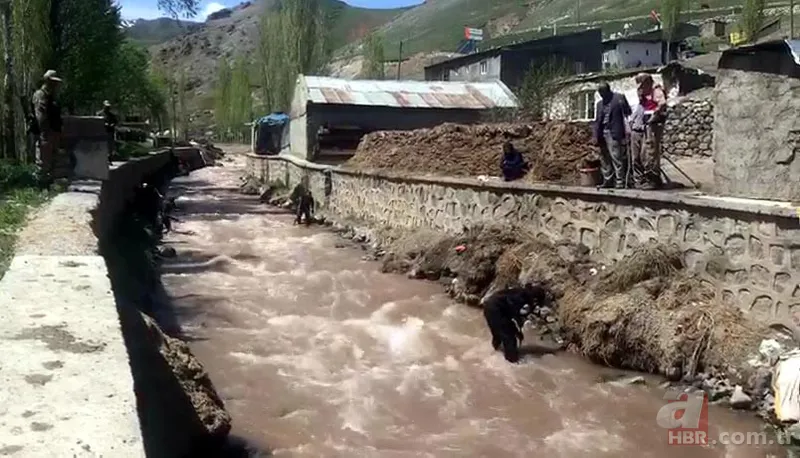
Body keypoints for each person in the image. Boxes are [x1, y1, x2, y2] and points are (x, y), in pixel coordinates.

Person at [482, 283, 547, 363]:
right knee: (509, 338)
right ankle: (512, 362)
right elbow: (514, 314)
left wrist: (516, 329)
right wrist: (518, 330)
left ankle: (495, 353)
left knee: (499, 333)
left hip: (491, 307)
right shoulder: (521, 298)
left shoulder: (521, 292)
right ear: (535, 299)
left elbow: (510, 315)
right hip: (495, 310)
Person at [632, 73, 668, 190]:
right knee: (644, 153)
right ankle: (648, 178)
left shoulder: (656, 91)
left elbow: (662, 103)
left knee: (650, 152)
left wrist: (656, 113)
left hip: (654, 123)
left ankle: (654, 180)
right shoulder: (644, 93)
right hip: (647, 124)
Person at [593, 82, 632, 189]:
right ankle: (608, 180)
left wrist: (623, 104)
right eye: (600, 93)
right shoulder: (599, 104)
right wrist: (595, 135)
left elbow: (628, 111)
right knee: (604, 158)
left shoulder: (618, 98)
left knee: (616, 157)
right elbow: (597, 121)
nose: (601, 95)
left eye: (603, 92)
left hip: (614, 131)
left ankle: (620, 180)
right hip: (602, 133)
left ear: (608, 91)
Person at [31, 70, 63, 186]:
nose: (55, 85)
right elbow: (40, 115)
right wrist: (45, 133)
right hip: (45, 133)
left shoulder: (51, 97)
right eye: (53, 82)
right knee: (43, 161)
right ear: (47, 81)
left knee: (52, 160)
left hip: (53, 133)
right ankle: (41, 186)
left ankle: (49, 184)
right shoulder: (40, 95)